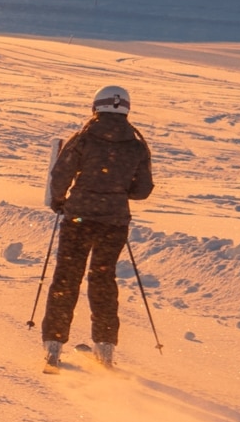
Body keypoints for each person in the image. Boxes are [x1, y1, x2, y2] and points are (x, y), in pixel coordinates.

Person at [42, 83, 155, 368]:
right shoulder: (136, 145)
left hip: (78, 218)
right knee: (103, 280)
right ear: (126, 109)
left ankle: (54, 347)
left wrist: (60, 201)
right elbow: (142, 190)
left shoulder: (83, 138)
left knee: (67, 277)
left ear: (96, 107)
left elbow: (60, 175)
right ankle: (105, 349)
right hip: (114, 223)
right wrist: (116, 193)